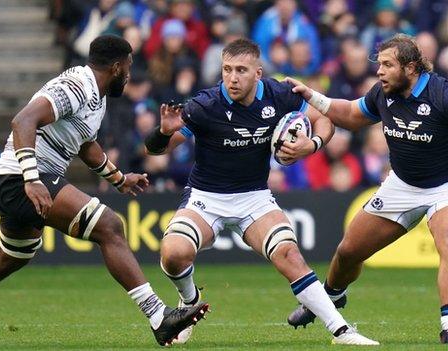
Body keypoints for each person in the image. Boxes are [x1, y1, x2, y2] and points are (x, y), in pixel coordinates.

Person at [0, 35, 209, 348]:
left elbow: (86, 145)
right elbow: (23, 120)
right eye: (127, 68)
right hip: (22, 179)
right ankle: (158, 316)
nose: (128, 74)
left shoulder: (96, 97)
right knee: (109, 226)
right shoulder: (78, 85)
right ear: (116, 67)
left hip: (17, 179)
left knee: (11, 256)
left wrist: (119, 178)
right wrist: (32, 179)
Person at [144, 38, 379, 346]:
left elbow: (323, 119)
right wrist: (163, 132)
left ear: (258, 73)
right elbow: (157, 150)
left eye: (241, 70)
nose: (232, 77)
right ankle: (189, 301)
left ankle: (342, 332)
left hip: (253, 196)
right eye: (227, 69)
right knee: (174, 254)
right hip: (206, 197)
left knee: (289, 254)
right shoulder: (206, 104)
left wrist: (312, 144)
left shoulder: (280, 94)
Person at [284, 34, 448, 344]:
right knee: (349, 252)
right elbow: (351, 115)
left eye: (387, 65)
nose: (379, 71)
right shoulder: (383, 93)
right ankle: (331, 296)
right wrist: (313, 96)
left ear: (411, 68)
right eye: (379, 64)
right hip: (402, 185)